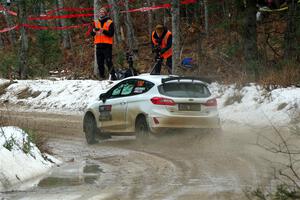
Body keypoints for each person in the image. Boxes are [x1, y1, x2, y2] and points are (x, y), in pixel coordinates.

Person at [91, 7, 117, 80]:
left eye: (103, 12)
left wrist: (103, 31)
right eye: (100, 12)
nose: (101, 13)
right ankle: (102, 77)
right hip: (98, 45)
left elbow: (111, 34)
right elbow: (92, 34)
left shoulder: (110, 22)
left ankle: (113, 76)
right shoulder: (96, 22)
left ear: (105, 13)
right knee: (100, 63)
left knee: (109, 61)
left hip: (107, 45)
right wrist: (93, 31)